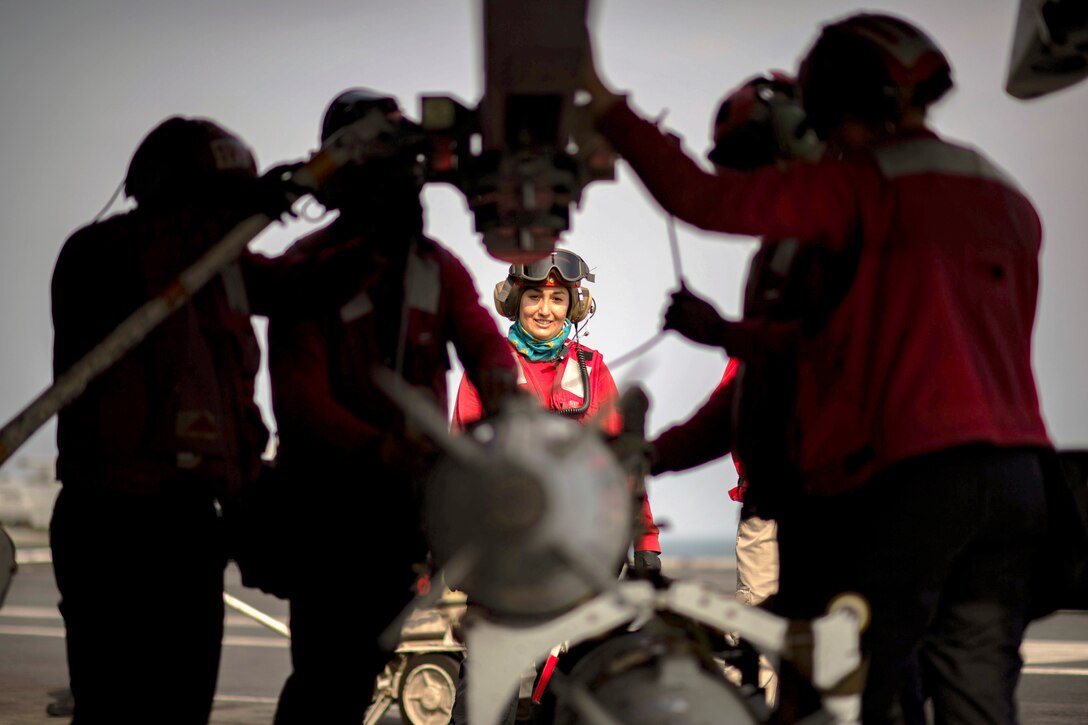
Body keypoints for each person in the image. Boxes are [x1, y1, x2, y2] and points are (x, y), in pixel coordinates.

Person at [582, 12, 1051, 724]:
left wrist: (596, 96)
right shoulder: (1005, 196)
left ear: (826, 113)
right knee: (977, 697)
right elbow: (822, 349)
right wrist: (725, 339)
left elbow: (702, 201)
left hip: (902, 485)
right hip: (1020, 481)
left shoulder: (863, 187)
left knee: (838, 699)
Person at [266, 88, 518, 725]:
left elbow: (484, 342)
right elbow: (301, 405)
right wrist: (378, 447)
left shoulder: (435, 268)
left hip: (400, 506)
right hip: (329, 510)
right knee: (329, 671)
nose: (403, 190)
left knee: (351, 671)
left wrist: (503, 396)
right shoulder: (307, 270)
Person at [49, 117, 280, 724]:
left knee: (182, 709)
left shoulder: (221, 270)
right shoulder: (100, 254)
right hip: (113, 522)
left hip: (188, 521)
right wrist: (249, 208)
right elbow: (163, 258)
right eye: (218, 201)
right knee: (115, 709)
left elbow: (299, 285)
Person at [451, 248, 662, 570]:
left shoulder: (592, 370)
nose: (545, 311)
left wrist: (645, 541)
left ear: (573, 307)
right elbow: (460, 459)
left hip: (585, 546)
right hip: (507, 540)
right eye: (534, 297)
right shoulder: (488, 371)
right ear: (515, 302)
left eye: (557, 299)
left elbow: (623, 460)